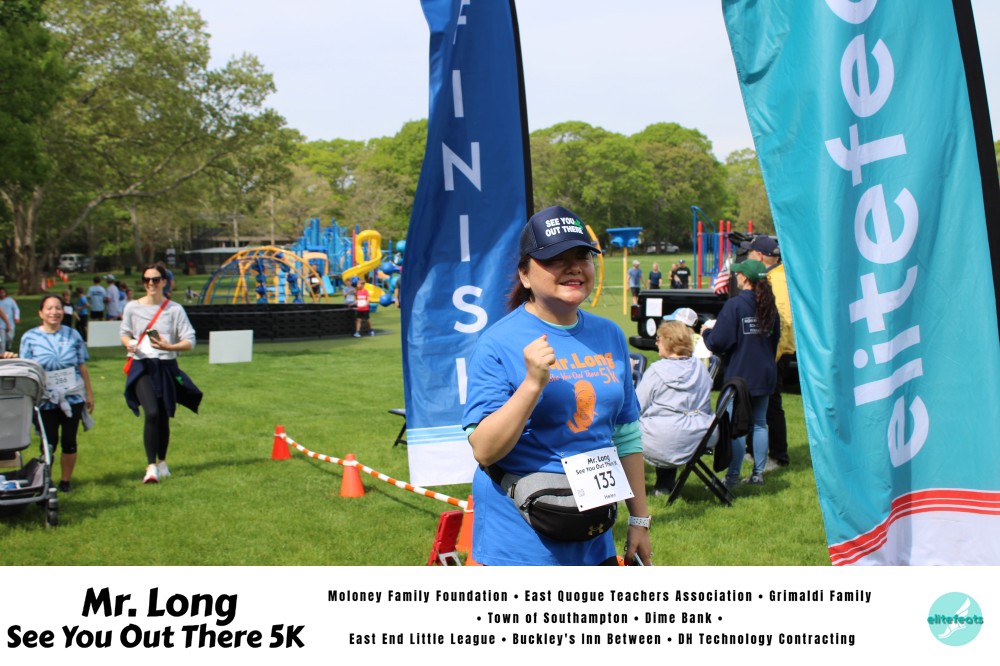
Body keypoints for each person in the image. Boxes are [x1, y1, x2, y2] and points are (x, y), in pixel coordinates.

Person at [463, 205, 651, 566]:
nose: (574, 267)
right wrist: (532, 385)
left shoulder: (609, 334)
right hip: (521, 542)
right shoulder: (498, 343)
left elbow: (626, 435)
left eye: (582, 256)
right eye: (555, 259)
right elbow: (484, 450)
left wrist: (639, 520)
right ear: (525, 274)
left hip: (594, 531)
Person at [120, 263, 201, 484]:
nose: (151, 284)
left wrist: (170, 347)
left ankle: (163, 462)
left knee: (164, 415)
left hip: (166, 366)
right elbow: (124, 333)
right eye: (147, 280)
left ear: (164, 282)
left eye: (155, 279)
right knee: (152, 412)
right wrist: (129, 344)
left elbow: (190, 340)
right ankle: (151, 466)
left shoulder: (174, 309)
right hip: (142, 366)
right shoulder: (132, 307)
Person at [701, 259, 779, 488]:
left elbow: (719, 342)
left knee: (736, 425)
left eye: (738, 274)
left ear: (744, 278)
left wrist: (706, 333)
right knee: (759, 423)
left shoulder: (735, 305)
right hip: (765, 372)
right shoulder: (769, 304)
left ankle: (732, 477)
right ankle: (758, 474)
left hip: (740, 376)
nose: (735, 276)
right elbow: (775, 339)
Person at [19, 295, 95, 493]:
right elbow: (26, 370)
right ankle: (45, 480)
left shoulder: (73, 335)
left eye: (58, 308)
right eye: (50, 308)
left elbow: (82, 366)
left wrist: (89, 394)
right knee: (49, 442)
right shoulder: (30, 337)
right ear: (41, 313)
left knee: (70, 440)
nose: (54, 312)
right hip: (44, 399)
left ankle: (65, 481)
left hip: (72, 396)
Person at [637, 320, 716, 496]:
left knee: (623, 429)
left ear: (669, 341)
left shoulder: (656, 371)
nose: (656, 343)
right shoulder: (700, 368)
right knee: (668, 423)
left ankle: (625, 488)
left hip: (664, 440)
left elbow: (636, 405)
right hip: (700, 437)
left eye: (658, 339)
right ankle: (663, 485)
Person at [747, 235, 794, 468]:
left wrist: (771, 355)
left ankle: (778, 455)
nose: (747, 257)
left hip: (775, 353)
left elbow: (785, 321)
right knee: (761, 403)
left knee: (772, 405)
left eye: (750, 253)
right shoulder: (773, 276)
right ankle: (754, 449)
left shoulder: (778, 279)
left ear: (760, 256)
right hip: (772, 352)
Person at [0, 286, 20, 352]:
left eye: (3, 292)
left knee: (10, 338)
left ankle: (8, 348)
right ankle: (2, 352)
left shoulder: (10, 300)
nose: (2, 294)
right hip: (1, 324)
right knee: (2, 340)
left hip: (10, 322)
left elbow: (16, 309)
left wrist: (16, 317)